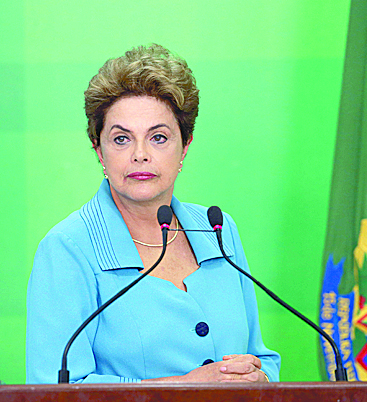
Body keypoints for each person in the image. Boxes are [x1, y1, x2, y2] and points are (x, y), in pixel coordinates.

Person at [26, 44, 280, 384]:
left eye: (158, 137)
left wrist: (260, 379)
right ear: (99, 150)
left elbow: (261, 358)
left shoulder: (218, 230)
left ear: (185, 146)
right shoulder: (68, 248)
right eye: (121, 139)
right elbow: (55, 390)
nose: (140, 154)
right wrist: (189, 387)